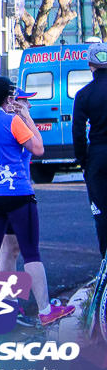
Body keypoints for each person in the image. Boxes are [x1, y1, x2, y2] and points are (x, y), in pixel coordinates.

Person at [0, 77, 74, 327]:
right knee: (31, 253)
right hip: (18, 195)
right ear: (8, 99)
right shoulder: (12, 121)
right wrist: (25, 117)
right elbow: (38, 149)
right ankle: (46, 310)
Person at [74, 41, 107, 257]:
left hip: (98, 155)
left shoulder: (84, 94)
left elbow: (78, 133)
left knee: (101, 210)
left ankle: (105, 259)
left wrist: (83, 161)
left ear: (90, 65)